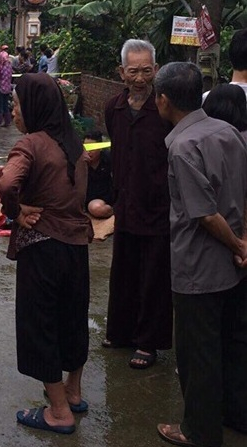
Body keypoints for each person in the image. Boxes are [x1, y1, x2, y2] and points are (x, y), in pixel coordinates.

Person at [154, 61, 247, 447]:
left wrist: (238, 244)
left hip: (199, 267)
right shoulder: (229, 131)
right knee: (233, 345)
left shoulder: (182, 146)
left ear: (163, 100)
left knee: (198, 353)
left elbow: (205, 214)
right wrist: (243, 244)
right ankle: (234, 415)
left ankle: (199, 431)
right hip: (235, 265)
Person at [0, 73, 92, 435]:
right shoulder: (73, 143)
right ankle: (73, 392)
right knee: (73, 318)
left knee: (41, 325)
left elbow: (8, 184)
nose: (14, 112)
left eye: (17, 105)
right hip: (76, 246)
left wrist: (16, 211)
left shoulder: (31, 144)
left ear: (35, 107)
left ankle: (59, 412)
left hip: (42, 248)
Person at [103, 39, 172, 369]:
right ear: (122, 72)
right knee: (124, 271)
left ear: (156, 70)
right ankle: (120, 332)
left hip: (158, 207)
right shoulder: (113, 108)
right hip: (126, 203)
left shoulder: (164, 109)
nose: (140, 78)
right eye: (133, 71)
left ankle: (147, 342)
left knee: (153, 277)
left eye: (146, 71)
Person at [84, 130, 113, 218]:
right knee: (96, 208)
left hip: (108, 197)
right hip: (90, 201)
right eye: (86, 148)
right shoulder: (80, 162)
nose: (88, 151)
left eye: (92, 148)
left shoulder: (108, 159)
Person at [0, 50, 12, 128]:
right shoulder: (9, 65)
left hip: (0, 86)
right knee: (5, 105)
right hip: (7, 87)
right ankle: (7, 121)